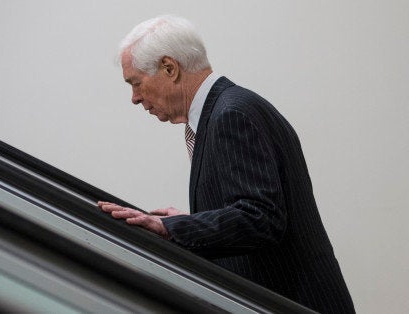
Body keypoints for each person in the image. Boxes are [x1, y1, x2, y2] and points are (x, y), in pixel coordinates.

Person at [98, 15, 356, 313]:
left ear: (169, 68)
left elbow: (262, 219)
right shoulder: (224, 110)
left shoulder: (232, 115)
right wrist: (192, 220)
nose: (135, 98)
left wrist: (172, 228)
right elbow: (253, 211)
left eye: (136, 83)